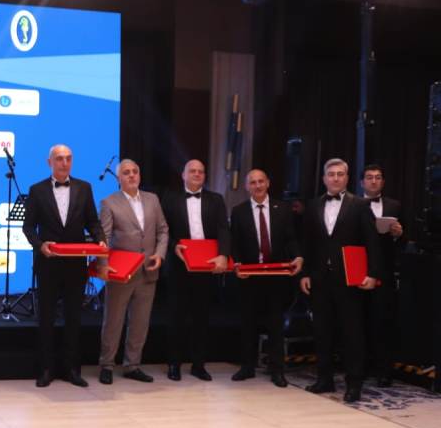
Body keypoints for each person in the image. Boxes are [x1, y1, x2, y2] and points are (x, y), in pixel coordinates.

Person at [22, 144, 106, 388]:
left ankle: (72, 370)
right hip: (48, 263)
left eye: (68, 158)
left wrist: (100, 238)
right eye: (59, 158)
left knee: (74, 317)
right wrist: (40, 245)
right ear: (49, 162)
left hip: (75, 264)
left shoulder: (84, 187)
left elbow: (92, 221)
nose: (64, 163)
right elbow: (28, 227)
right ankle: (46, 369)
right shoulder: (36, 190)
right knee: (46, 317)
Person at [300, 158, 380, 403]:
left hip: (350, 279)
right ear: (324, 178)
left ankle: (354, 384)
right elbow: (308, 243)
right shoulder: (313, 205)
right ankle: (324, 379)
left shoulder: (360, 205)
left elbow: (372, 242)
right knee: (322, 331)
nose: (335, 178)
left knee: (352, 333)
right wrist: (305, 274)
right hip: (320, 279)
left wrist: (372, 274)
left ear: (347, 178)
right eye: (331, 174)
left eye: (340, 174)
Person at [95, 159, 168, 384]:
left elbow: (163, 230)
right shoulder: (109, 202)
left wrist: (160, 254)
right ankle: (107, 364)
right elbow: (104, 236)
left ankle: (132, 365)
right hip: (120, 272)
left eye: (135, 171)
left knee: (140, 322)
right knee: (113, 320)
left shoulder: (152, 199)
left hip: (148, 271)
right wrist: (103, 264)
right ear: (119, 178)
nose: (132, 175)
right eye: (126, 172)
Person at [229, 169, 303, 387]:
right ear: (247, 187)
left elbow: (291, 239)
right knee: (248, 323)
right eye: (253, 182)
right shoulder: (238, 211)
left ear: (268, 183)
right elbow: (235, 243)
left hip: (276, 276)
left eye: (261, 181)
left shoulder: (283, 209)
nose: (258, 185)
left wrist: (298, 256)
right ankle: (247, 367)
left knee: (275, 324)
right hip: (250, 276)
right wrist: (236, 264)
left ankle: (277, 370)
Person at [160, 159, 230, 382]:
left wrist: (223, 254)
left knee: (202, 317)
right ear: (183, 175)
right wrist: (173, 246)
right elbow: (163, 230)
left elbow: (224, 229)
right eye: (192, 171)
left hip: (207, 266)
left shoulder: (216, 199)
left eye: (201, 171)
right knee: (176, 317)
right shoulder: (169, 198)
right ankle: (174, 364)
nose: (197, 174)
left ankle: (199, 365)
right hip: (179, 265)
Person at [360, 164, 403, 387]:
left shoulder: (394, 205)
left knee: (383, 321)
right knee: (359, 320)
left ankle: (384, 371)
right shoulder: (353, 205)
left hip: (384, 272)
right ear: (362, 182)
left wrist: (398, 234)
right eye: (369, 177)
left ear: (383, 182)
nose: (374, 181)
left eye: (378, 177)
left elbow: (404, 241)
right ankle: (360, 367)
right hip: (359, 269)